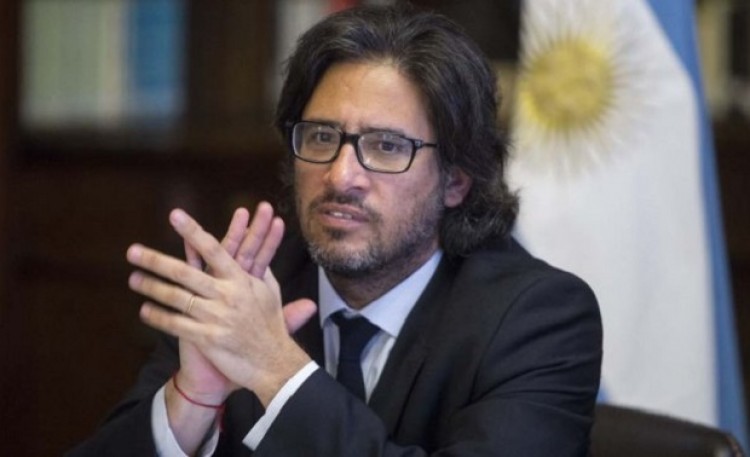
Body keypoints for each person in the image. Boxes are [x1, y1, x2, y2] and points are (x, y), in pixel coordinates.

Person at [69, 4, 602, 456]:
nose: (342, 176)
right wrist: (193, 399)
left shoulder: (537, 320)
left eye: (388, 146)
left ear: (456, 181)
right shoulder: (246, 288)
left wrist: (276, 370)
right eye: (322, 137)